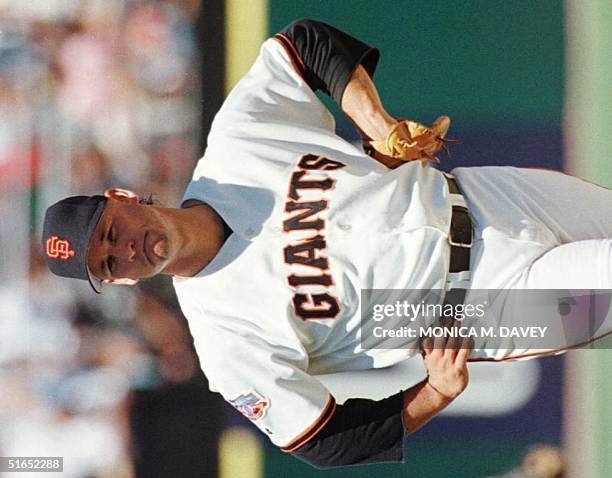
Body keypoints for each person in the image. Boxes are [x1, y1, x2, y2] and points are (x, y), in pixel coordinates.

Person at [42, 19, 612, 468]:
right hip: (485, 310)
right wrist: (433, 395)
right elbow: (322, 441)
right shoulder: (223, 343)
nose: (125, 251)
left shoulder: (235, 149)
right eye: (109, 264)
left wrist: (376, 123)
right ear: (119, 282)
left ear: (120, 195)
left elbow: (304, 44)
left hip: (488, 197)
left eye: (111, 233)